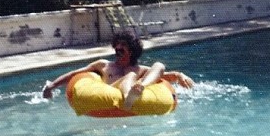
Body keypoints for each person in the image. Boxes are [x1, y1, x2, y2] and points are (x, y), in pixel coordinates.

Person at [42, 31, 194, 110]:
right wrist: (52, 86)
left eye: (123, 45)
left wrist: (180, 75)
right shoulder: (103, 65)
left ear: (132, 50)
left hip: (138, 89)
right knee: (130, 76)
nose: (118, 48)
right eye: (117, 45)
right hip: (112, 94)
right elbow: (75, 74)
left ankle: (140, 89)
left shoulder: (139, 69)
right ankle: (130, 96)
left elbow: (165, 75)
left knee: (159, 65)